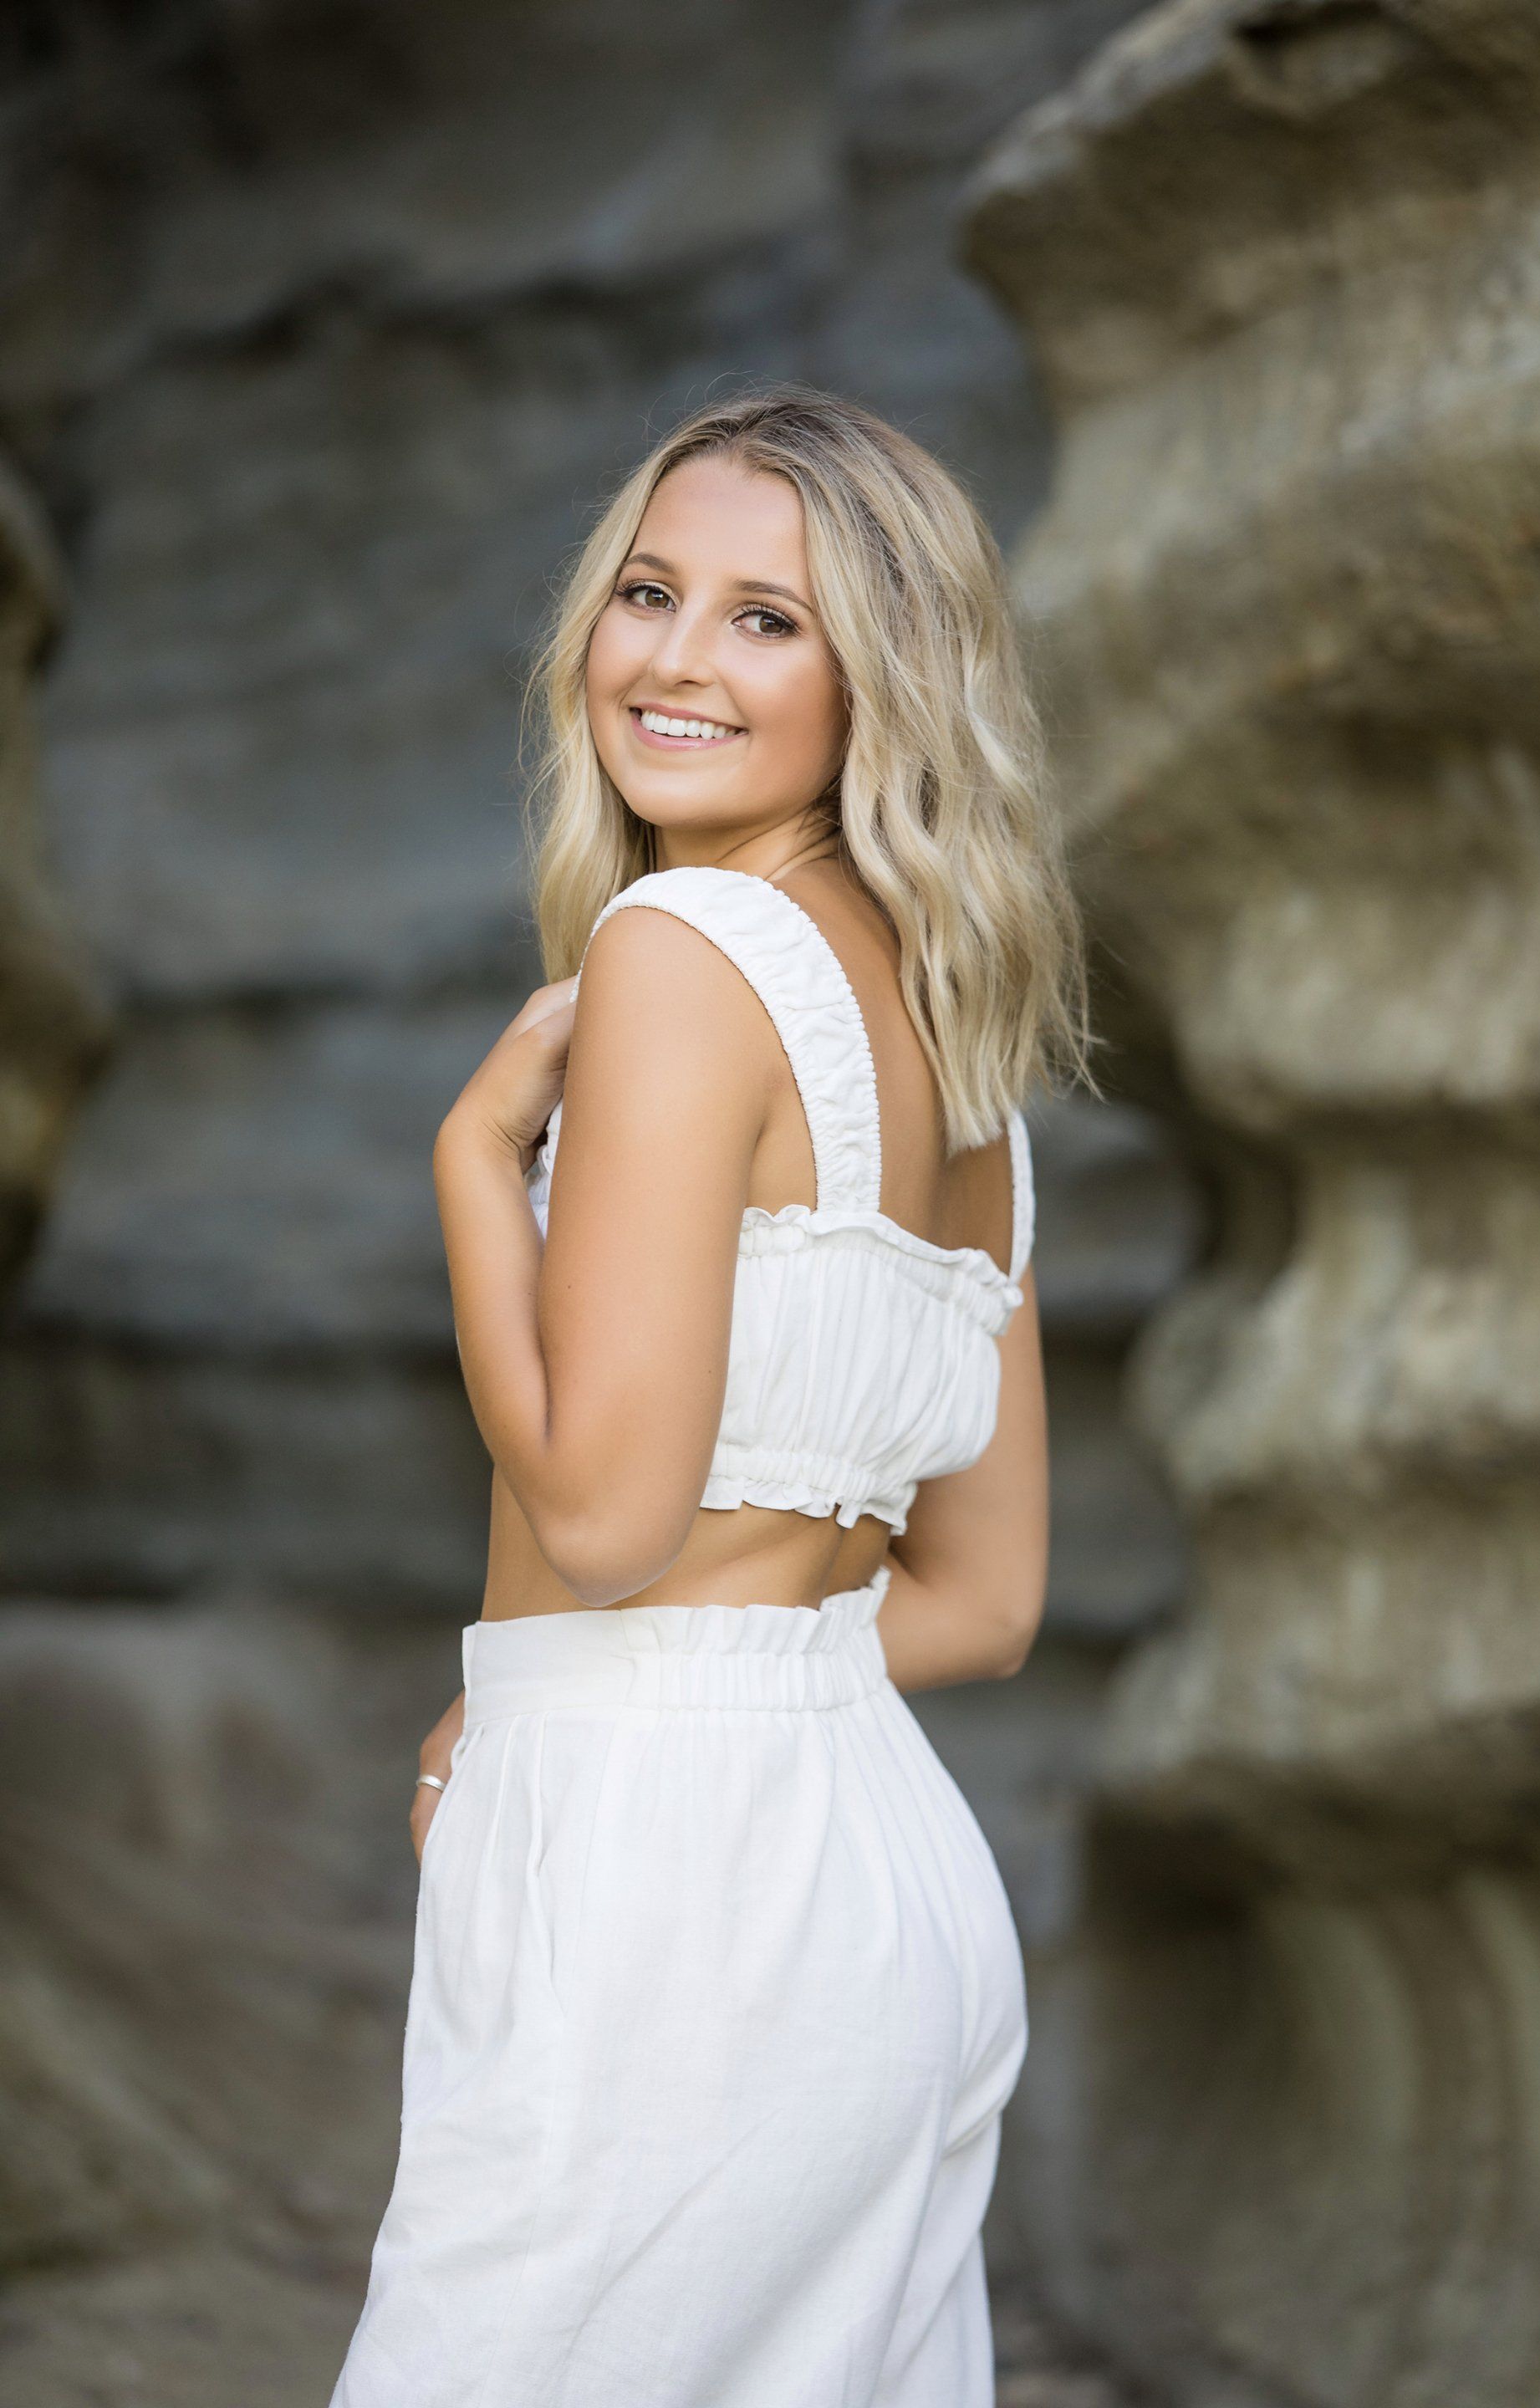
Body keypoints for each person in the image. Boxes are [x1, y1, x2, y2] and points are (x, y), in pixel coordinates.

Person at [328, 384, 1088, 2408]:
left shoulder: (682, 950)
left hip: (671, 1905)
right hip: (885, 1891)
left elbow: (598, 1516)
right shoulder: (975, 1060)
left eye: (769, 619)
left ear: (886, 679)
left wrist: (472, 1168)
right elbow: (986, 1602)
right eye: (651, 591)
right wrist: (591, 1680)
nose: (672, 658)